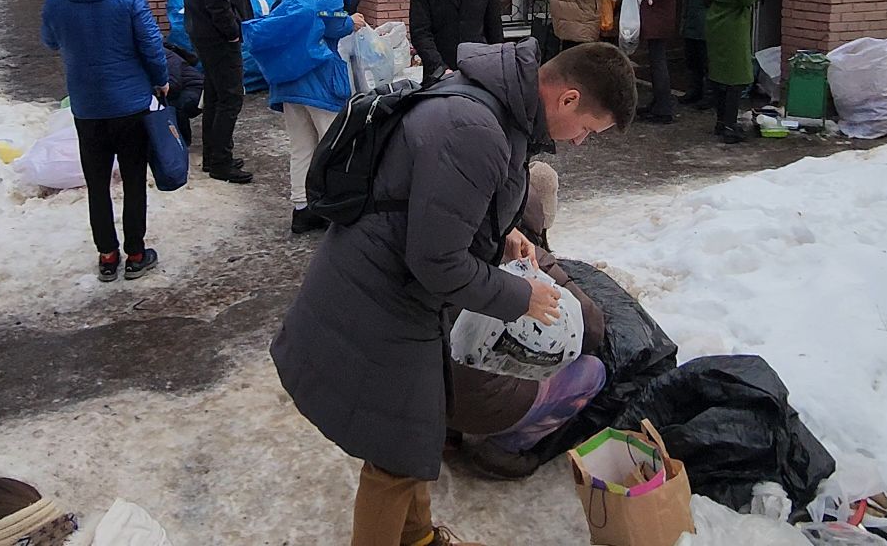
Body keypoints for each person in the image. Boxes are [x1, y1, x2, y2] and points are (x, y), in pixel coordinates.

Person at [271, 40, 638, 546]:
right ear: (569, 99)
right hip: (382, 301)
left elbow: (430, 204)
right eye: (589, 131)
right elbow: (435, 262)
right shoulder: (476, 128)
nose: (580, 143)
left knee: (413, 436)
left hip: (397, 296)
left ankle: (418, 537)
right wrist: (518, 298)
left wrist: (503, 232)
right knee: (395, 459)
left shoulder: (494, 106)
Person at [447, 161, 609, 481]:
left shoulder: (451, 238)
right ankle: (504, 447)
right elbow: (592, 328)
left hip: (427, 395)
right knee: (592, 372)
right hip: (486, 406)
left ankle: (446, 436)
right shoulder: (532, 257)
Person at [41, 0, 170, 281]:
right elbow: (150, 42)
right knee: (132, 180)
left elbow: (50, 40)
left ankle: (107, 255)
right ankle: (136, 253)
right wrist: (161, 78)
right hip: (130, 104)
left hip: (86, 106)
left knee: (97, 184)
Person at [260, 0, 366, 235]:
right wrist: (350, 22)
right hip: (317, 75)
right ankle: (336, 208)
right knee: (334, 144)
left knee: (301, 147)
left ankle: (302, 210)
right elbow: (329, 22)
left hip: (289, 76)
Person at [184, 0, 254, 184]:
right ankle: (221, 162)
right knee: (231, 96)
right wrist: (232, 31)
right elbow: (217, 1)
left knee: (214, 94)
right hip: (217, 38)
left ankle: (214, 157)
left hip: (206, 35)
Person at [698, 0, 760, 143]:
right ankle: (730, 126)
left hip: (714, 22)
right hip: (734, 26)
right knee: (736, 77)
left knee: (718, 74)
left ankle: (720, 121)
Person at [164, 44, 205, 147]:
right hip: (184, 89)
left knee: (176, 106)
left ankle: (182, 142)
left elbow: (173, 85)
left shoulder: (167, 56)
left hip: (197, 89)